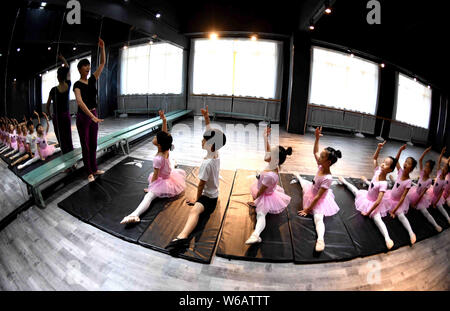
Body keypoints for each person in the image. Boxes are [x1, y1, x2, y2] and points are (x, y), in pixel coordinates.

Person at [165, 106, 226, 253]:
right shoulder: (215, 152)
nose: (201, 141)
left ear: (210, 145)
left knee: (194, 212)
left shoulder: (207, 163)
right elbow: (210, 131)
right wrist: (206, 118)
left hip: (209, 198)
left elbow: (200, 186)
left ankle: (182, 237)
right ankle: (183, 237)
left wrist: (197, 201)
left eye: (204, 140)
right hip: (214, 194)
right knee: (196, 210)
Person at [120, 110, 186, 224]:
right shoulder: (166, 149)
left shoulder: (158, 158)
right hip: (168, 174)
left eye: (155, 137)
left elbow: (155, 176)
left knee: (149, 197)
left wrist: (151, 188)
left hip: (163, 181)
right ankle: (173, 164)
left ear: (159, 144)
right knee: (171, 163)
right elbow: (164, 134)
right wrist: (164, 120)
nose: (154, 138)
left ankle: (135, 214)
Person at [338, 142, 404, 250]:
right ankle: (344, 182)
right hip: (366, 196)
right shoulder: (378, 171)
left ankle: (387, 238)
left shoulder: (384, 184)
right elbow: (374, 159)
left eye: (386, 164)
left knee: (377, 219)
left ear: (390, 170)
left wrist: (368, 212)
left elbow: (378, 202)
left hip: (373, 203)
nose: (383, 164)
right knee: (356, 191)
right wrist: (378, 148)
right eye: (383, 162)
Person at [296, 126, 342, 252]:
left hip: (320, 199)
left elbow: (318, 197)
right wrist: (316, 138)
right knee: (304, 184)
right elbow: (315, 152)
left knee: (318, 218)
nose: (318, 157)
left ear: (328, 162)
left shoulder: (328, 178)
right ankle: (298, 177)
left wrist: (308, 209)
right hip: (312, 189)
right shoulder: (322, 166)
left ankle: (320, 240)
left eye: (322, 157)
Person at [245, 126, 292, 245]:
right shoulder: (273, 165)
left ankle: (256, 235)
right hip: (266, 189)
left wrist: (256, 200)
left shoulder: (271, 175)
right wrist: (265, 137)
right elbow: (267, 153)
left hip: (266, 195)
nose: (268, 153)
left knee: (261, 214)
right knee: (259, 212)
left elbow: (261, 191)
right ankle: (256, 234)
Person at [73, 38, 106, 182]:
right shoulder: (77, 84)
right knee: (85, 145)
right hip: (83, 117)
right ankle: (88, 172)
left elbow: (103, 63)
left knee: (93, 143)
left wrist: (103, 47)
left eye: (88, 65)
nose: (87, 67)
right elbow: (79, 102)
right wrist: (91, 116)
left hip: (94, 113)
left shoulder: (92, 79)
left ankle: (94, 168)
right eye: (84, 66)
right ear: (79, 69)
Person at [381, 151, 417, 245]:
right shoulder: (400, 171)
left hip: (398, 202)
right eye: (405, 161)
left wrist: (394, 210)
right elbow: (396, 161)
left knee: (401, 216)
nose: (405, 163)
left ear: (411, 169)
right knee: (380, 198)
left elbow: (402, 198)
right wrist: (400, 150)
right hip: (390, 196)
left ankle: (411, 233)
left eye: (408, 163)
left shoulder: (408, 182)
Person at [407, 147, 442, 232]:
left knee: (425, 212)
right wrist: (425, 151)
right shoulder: (422, 173)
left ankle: (436, 225)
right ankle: (394, 180)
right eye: (425, 166)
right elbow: (420, 160)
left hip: (420, 197)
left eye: (427, 167)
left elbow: (422, 193)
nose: (425, 168)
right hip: (414, 191)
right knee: (409, 187)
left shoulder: (429, 181)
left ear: (430, 170)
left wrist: (416, 202)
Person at [46, 54, 74, 154]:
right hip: (66, 116)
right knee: (68, 136)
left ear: (58, 77)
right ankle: (71, 158)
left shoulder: (53, 90)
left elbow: (47, 106)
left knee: (61, 138)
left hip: (57, 117)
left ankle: (65, 155)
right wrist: (62, 58)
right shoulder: (68, 85)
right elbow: (68, 70)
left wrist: (50, 115)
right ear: (64, 76)